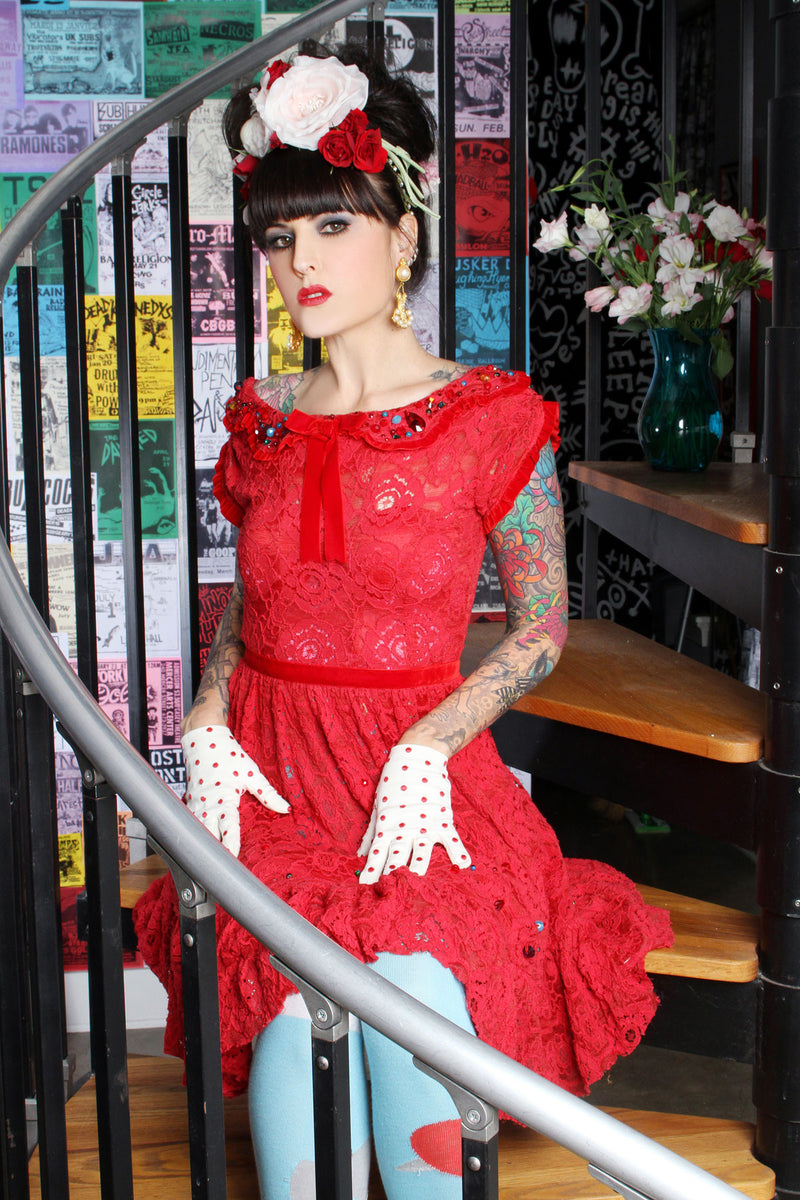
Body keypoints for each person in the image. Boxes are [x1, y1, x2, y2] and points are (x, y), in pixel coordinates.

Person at [134, 43, 672, 1200]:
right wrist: (210, 710)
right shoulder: (262, 417)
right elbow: (250, 608)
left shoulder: (487, 417)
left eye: (332, 226)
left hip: (412, 788)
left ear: (404, 232)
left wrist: (433, 741)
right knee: (294, 1026)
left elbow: (542, 625)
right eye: (279, 238)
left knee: (412, 1006)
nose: (300, 263)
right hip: (279, 783)